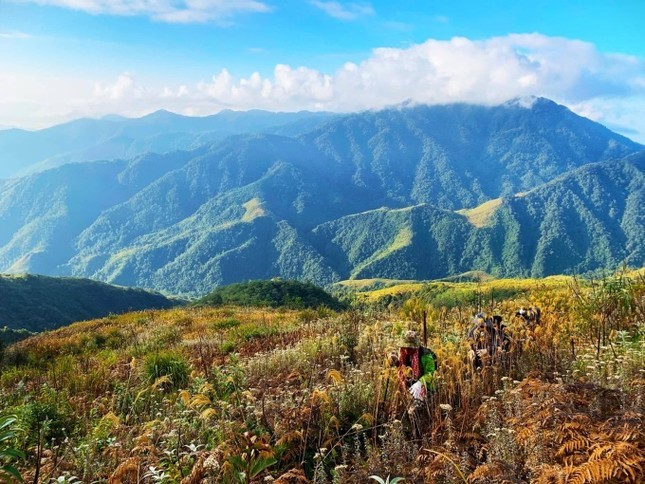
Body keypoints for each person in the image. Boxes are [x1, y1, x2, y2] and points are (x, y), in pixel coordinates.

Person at [395, 330, 437, 438]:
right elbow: (401, 366)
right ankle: (407, 434)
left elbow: (431, 373)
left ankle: (418, 436)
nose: (407, 350)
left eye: (410, 348)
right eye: (406, 347)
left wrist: (421, 382)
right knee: (398, 413)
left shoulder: (425, 355)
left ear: (416, 346)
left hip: (425, 388)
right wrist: (394, 361)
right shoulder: (403, 353)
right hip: (409, 388)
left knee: (413, 412)